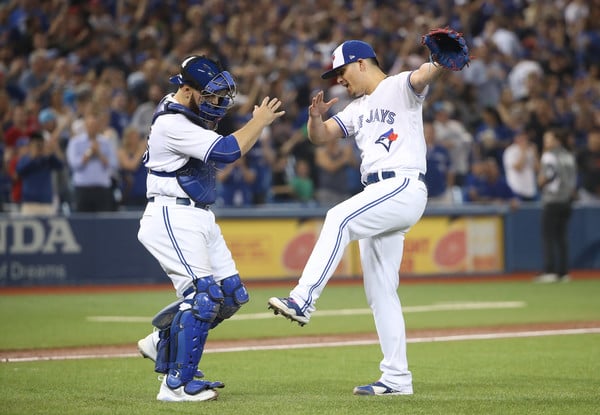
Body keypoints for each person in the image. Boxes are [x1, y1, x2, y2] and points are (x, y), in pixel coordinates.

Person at [268, 38, 465, 396]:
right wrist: (315, 119)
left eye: (341, 71)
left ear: (360, 63)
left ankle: (303, 298)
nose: (338, 80)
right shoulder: (356, 108)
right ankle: (396, 379)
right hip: (379, 194)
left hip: (401, 185)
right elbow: (322, 137)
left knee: (339, 218)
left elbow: (422, 77)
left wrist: (438, 62)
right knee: (381, 293)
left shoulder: (397, 86)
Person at [136, 55, 284, 402]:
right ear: (186, 90)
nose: (217, 103)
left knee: (232, 296)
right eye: (210, 95)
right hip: (172, 213)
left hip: (197, 214)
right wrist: (258, 122)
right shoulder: (173, 123)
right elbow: (228, 151)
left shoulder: (188, 112)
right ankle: (176, 385)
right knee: (202, 298)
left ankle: (162, 341)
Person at [534, 129, 577, 283]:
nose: (546, 142)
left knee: (548, 236)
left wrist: (540, 181)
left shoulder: (548, 156)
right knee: (562, 237)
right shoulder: (569, 156)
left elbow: (546, 176)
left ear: (557, 140)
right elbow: (573, 181)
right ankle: (563, 272)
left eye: (548, 139)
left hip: (552, 200)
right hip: (566, 201)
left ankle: (550, 271)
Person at [66, 104, 119, 212]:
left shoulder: (106, 142)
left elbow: (114, 164)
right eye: (90, 125)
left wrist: (99, 153)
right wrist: (89, 152)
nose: (93, 128)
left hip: (102, 190)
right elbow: (74, 164)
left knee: (104, 224)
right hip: (82, 190)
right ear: (85, 125)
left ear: (99, 126)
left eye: (95, 125)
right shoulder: (75, 142)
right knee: (82, 223)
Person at [15, 131, 63, 215]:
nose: (39, 146)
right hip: (29, 203)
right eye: (36, 143)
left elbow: (61, 166)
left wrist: (53, 151)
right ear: (30, 145)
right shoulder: (25, 158)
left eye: (40, 143)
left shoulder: (48, 158)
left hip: (46, 203)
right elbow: (19, 171)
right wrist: (32, 157)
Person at [502, 129, 539, 201]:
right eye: (520, 137)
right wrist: (523, 151)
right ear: (515, 138)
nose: (523, 139)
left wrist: (535, 154)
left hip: (530, 190)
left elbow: (537, 169)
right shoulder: (510, 151)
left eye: (524, 137)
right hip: (516, 189)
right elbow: (518, 168)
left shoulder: (530, 150)